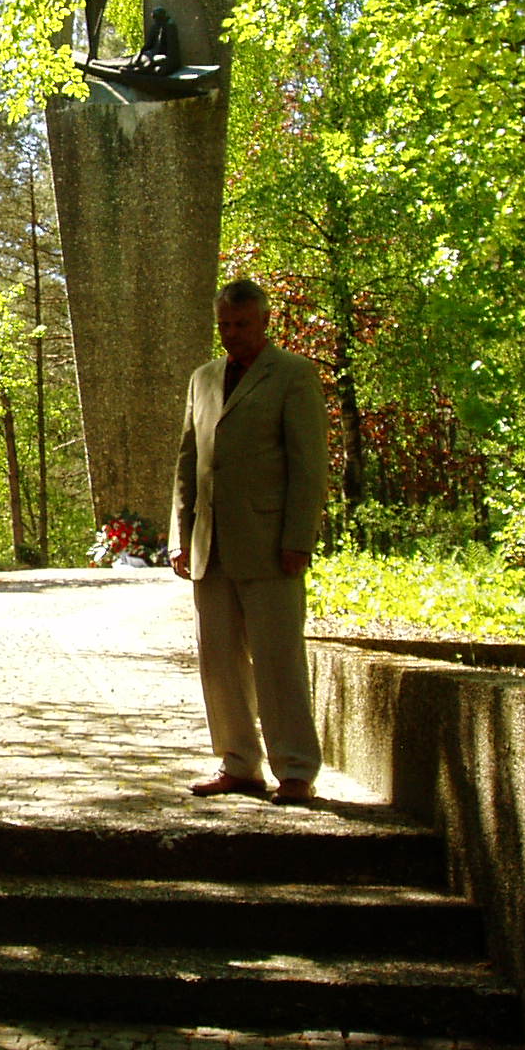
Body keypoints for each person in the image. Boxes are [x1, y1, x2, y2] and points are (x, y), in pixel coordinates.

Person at [169, 278, 331, 806]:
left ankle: (296, 769)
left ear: (264, 322)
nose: (232, 333)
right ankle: (238, 763)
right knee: (219, 663)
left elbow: (308, 466)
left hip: (270, 543)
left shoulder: (293, 375)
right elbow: (189, 461)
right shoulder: (203, 378)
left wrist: (298, 538)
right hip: (209, 544)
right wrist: (179, 536)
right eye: (224, 325)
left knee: (278, 661)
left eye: (242, 324)